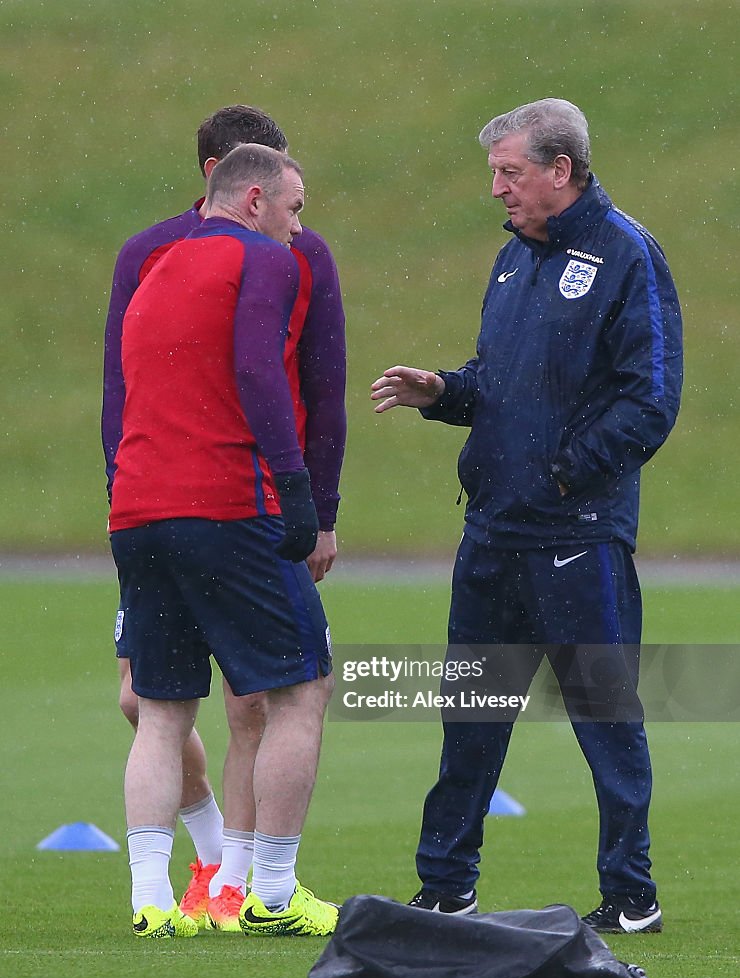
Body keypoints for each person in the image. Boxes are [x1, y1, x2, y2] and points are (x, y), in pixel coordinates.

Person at [371, 98, 682, 933]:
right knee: (469, 717)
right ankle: (445, 886)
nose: (498, 189)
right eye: (495, 174)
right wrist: (443, 393)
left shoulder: (627, 255)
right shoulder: (514, 261)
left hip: (577, 538)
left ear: (560, 170)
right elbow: (500, 385)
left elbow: (649, 401)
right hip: (493, 537)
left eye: (510, 173)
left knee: (604, 719)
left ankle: (630, 897)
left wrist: (561, 477)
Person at [102, 105, 346, 931]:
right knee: (301, 687)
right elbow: (261, 371)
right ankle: (270, 892)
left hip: (137, 509)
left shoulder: (152, 258)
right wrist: (299, 488)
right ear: (250, 199)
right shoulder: (265, 260)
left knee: (162, 709)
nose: (299, 227)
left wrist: (120, 488)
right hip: (225, 503)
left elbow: (120, 392)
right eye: (295, 206)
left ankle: (150, 899)